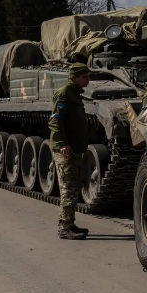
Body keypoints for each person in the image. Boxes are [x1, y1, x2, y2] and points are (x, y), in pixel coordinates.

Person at [49, 63, 91, 240]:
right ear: (74, 77)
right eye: (84, 77)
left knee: (74, 187)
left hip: (75, 148)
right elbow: (55, 121)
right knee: (68, 188)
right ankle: (65, 228)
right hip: (65, 150)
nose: (88, 79)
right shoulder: (65, 94)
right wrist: (62, 143)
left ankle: (70, 223)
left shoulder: (75, 94)